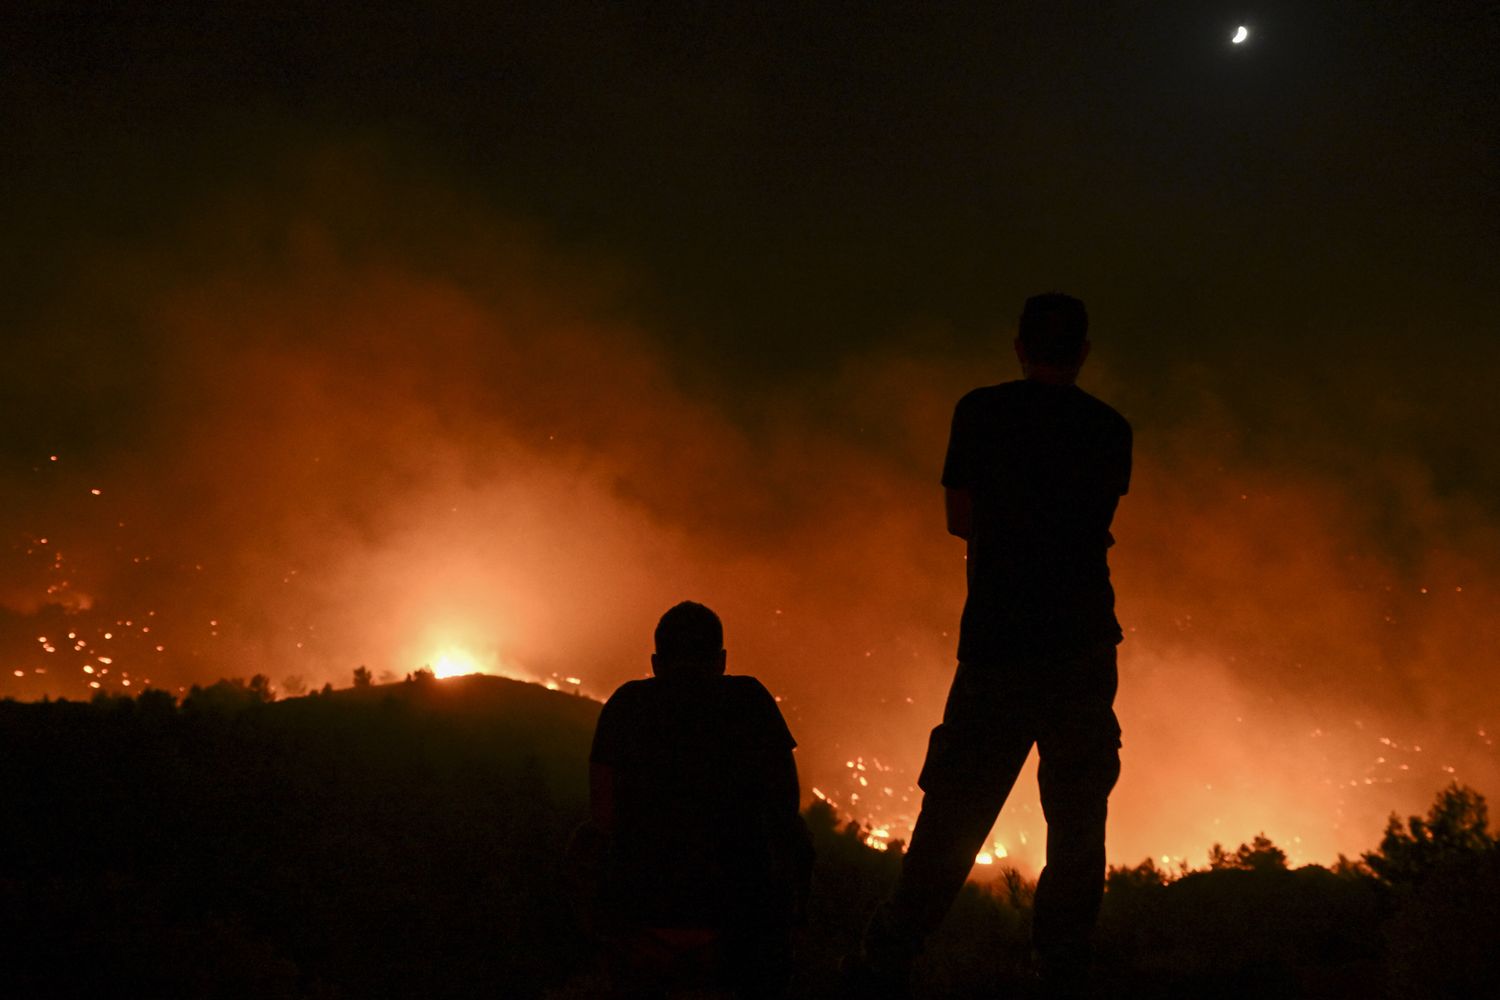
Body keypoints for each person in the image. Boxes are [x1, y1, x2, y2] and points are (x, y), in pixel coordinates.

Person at [847, 293, 1132, 998]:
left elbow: (958, 520)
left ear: (1018, 346)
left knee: (956, 806)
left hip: (1000, 642)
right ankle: (1062, 963)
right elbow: (1094, 519)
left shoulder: (981, 412)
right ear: (1085, 353)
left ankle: (893, 952)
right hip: (1082, 644)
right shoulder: (1109, 429)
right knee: (1077, 815)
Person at [588, 601, 811, 998]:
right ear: (722, 660)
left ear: (656, 662)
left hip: (643, 916)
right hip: (738, 919)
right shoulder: (750, 700)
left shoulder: (626, 705)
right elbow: (785, 806)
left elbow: (603, 817)